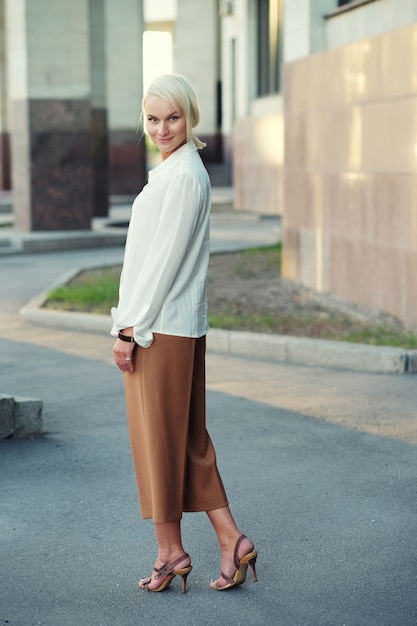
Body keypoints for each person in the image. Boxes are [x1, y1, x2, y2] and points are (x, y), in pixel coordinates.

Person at [111, 73, 257, 593]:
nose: (162, 127)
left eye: (172, 117)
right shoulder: (176, 171)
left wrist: (130, 329)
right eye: (152, 119)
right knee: (187, 441)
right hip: (172, 326)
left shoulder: (183, 177)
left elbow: (162, 265)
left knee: (160, 443)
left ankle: (172, 553)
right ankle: (229, 541)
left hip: (158, 330)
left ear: (190, 116)